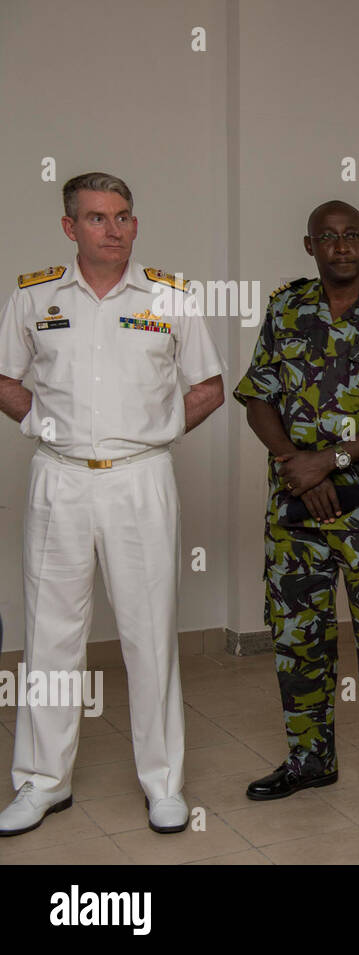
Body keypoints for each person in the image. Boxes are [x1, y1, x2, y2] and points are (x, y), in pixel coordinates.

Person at [0, 172, 225, 836]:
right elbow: (5, 377)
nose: (114, 229)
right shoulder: (33, 295)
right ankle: (42, 782)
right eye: (97, 218)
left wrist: (157, 433)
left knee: (150, 633)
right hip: (60, 477)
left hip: (139, 479)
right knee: (49, 637)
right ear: (70, 227)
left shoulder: (170, 296)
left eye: (123, 216)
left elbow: (210, 385)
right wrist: (40, 424)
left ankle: (163, 784)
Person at [233, 200, 359, 824]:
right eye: (328, 238)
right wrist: (295, 462)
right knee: (298, 638)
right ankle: (310, 759)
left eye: (352, 236)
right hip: (296, 511)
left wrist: (329, 462)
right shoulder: (286, 306)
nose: (341, 247)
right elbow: (258, 396)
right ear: (308, 244)